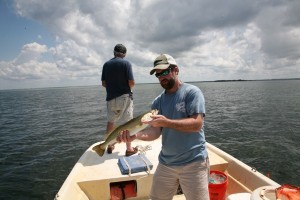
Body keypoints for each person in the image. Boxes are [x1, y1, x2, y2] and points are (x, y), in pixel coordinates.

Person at [117, 54, 209, 200]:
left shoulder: (192, 93)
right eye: (158, 75)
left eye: (164, 72)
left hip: (194, 163)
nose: (161, 77)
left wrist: (167, 122)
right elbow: (154, 132)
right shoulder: (158, 102)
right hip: (166, 163)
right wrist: (135, 136)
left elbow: (197, 124)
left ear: (176, 70)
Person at [101, 44, 138, 156]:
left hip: (111, 98)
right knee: (128, 123)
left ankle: (110, 145)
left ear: (114, 52)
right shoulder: (126, 63)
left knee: (111, 122)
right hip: (125, 97)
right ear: (124, 54)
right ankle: (129, 148)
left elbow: (103, 83)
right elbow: (131, 82)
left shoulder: (106, 64)